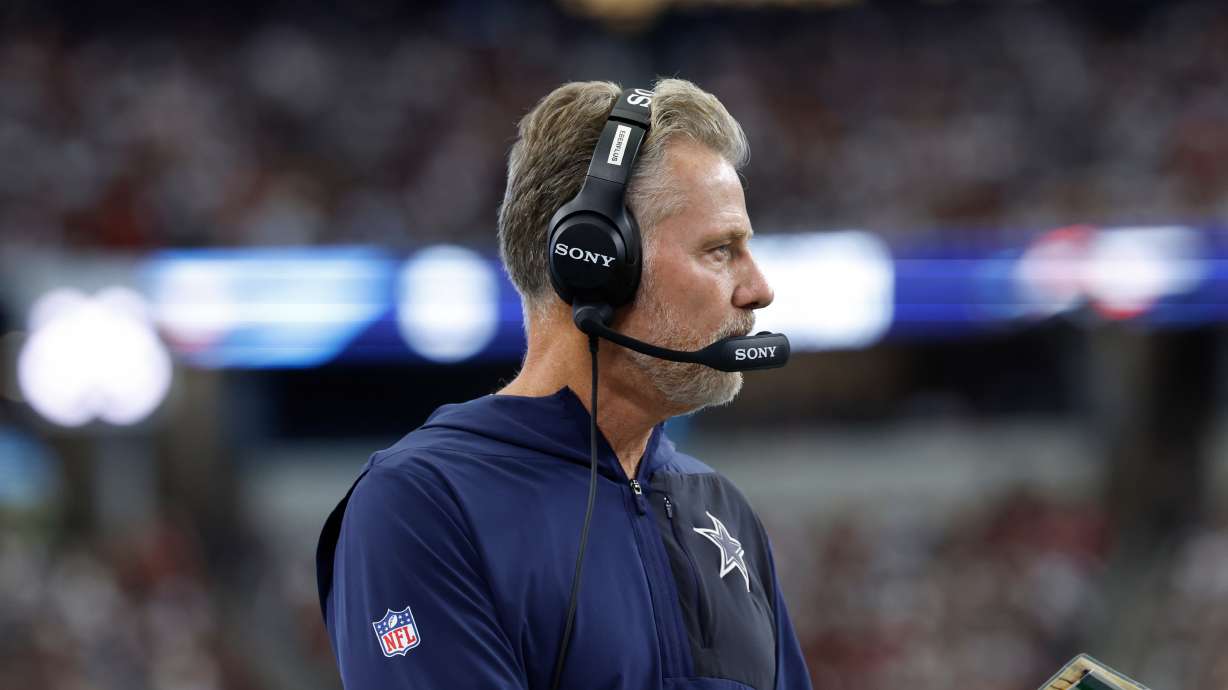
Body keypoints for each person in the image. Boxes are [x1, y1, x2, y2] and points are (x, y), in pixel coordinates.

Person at [316, 79, 812, 690]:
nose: (758, 287)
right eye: (720, 250)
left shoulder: (721, 509)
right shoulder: (424, 504)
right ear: (596, 263)